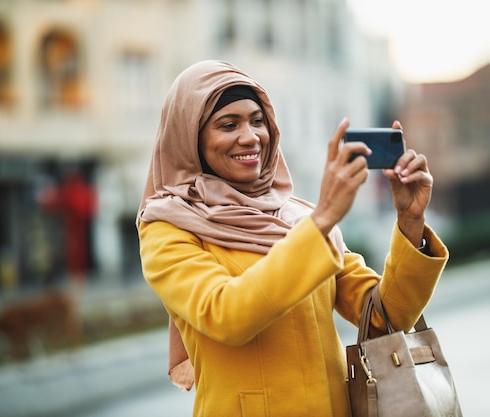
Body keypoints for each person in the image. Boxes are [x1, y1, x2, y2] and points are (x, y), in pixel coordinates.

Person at [137, 60, 448, 417]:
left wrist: (410, 221)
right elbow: (226, 314)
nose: (251, 136)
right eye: (228, 125)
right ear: (190, 138)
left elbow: (383, 317)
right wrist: (322, 220)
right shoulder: (168, 227)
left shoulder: (298, 217)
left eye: (258, 121)